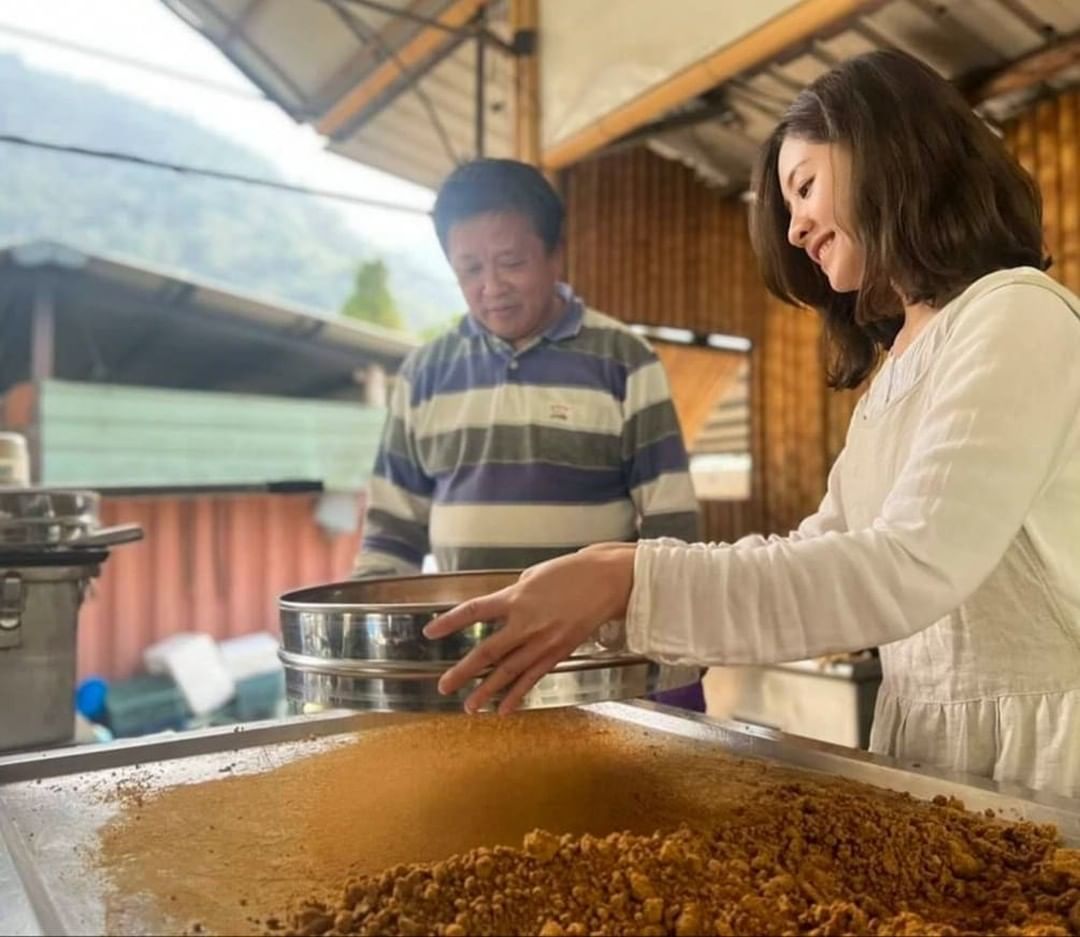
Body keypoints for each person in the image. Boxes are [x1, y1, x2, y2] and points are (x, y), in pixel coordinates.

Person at [425, 50, 1080, 799]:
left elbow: (909, 567)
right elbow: (824, 552)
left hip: (1047, 755)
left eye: (804, 187)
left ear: (892, 155)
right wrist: (628, 589)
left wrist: (628, 578)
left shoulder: (1016, 313)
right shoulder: (895, 370)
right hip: (931, 744)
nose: (797, 228)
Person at [354, 159, 703, 699]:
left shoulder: (624, 360)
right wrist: (365, 649)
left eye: (511, 262)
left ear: (555, 254)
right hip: (474, 668)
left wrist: (677, 660)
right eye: (469, 269)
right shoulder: (425, 373)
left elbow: (671, 527)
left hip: (592, 667)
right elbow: (390, 533)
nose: (492, 287)